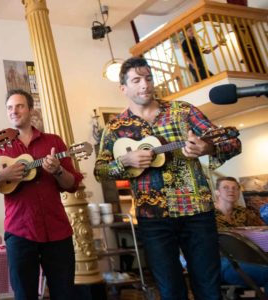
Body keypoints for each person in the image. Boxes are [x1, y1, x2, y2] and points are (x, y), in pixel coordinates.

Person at [94, 57, 241, 300]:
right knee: (170, 290)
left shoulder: (183, 111)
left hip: (197, 212)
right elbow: (100, 171)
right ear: (124, 89)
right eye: (137, 80)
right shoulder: (115, 128)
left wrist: (207, 148)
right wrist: (125, 162)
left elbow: (232, 141)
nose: (145, 85)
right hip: (153, 218)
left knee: (209, 288)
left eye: (149, 78)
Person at [0, 89, 83, 300]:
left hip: (57, 230)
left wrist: (58, 170)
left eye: (19, 106)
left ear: (30, 110)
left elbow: (72, 184)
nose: (14, 111)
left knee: (65, 294)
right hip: (20, 232)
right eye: (10, 107)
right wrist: (2, 176)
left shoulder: (53, 142)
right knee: (24, 295)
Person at [213, 177, 268, 291]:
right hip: (220, 261)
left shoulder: (244, 212)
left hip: (248, 259)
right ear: (217, 192)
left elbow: (263, 231)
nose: (231, 190)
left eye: (235, 188)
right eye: (225, 187)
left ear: (239, 192)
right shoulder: (206, 215)